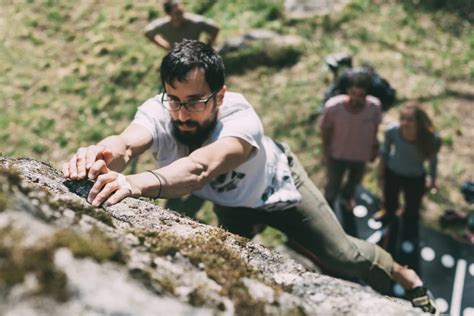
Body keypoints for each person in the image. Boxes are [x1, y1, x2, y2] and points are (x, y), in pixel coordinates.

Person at [62, 40, 437, 314]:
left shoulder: (241, 120)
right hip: (233, 206)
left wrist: (134, 183)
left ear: (220, 96)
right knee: (227, 270)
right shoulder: (160, 111)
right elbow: (127, 144)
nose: (181, 113)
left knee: (343, 255)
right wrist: (101, 154)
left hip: (279, 189)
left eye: (195, 101)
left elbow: (201, 168)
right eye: (174, 99)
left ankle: (404, 275)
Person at [377, 103, 441, 273]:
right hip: (394, 173)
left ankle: (408, 233)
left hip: (415, 178)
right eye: (402, 119)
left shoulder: (430, 138)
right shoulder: (392, 131)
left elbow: (433, 162)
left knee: (412, 210)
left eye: (410, 120)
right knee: (390, 203)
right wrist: (381, 172)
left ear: (419, 122)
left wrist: (433, 180)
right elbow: (384, 152)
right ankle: (390, 223)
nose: (405, 123)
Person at [318, 71, 382, 213]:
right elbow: (325, 130)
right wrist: (326, 152)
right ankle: (327, 208)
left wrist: (374, 148)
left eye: (361, 95)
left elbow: (375, 128)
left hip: (360, 155)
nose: (356, 99)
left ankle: (346, 198)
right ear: (348, 91)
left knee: (354, 182)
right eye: (353, 93)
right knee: (333, 185)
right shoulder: (333, 107)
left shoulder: (374, 107)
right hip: (337, 155)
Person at [143, 0, 219, 51]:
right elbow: (148, 32)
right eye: (177, 13)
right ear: (169, 14)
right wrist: (167, 47)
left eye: (181, 12)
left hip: (195, 54)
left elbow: (215, 28)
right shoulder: (164, 26)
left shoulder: (195, 22)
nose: (180, 16)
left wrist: (208, 47)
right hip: (177, 55)